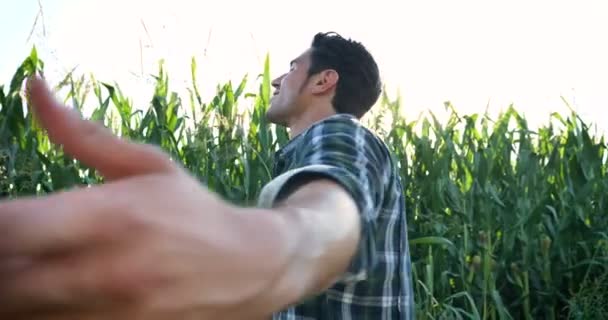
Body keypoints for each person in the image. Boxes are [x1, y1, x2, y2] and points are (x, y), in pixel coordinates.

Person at [0, 32, 414, 319]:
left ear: (324, 80)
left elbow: (333, 218)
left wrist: (254, 246)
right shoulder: (305, 154)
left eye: (291, 67)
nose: (275, 78)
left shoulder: (341, 134)